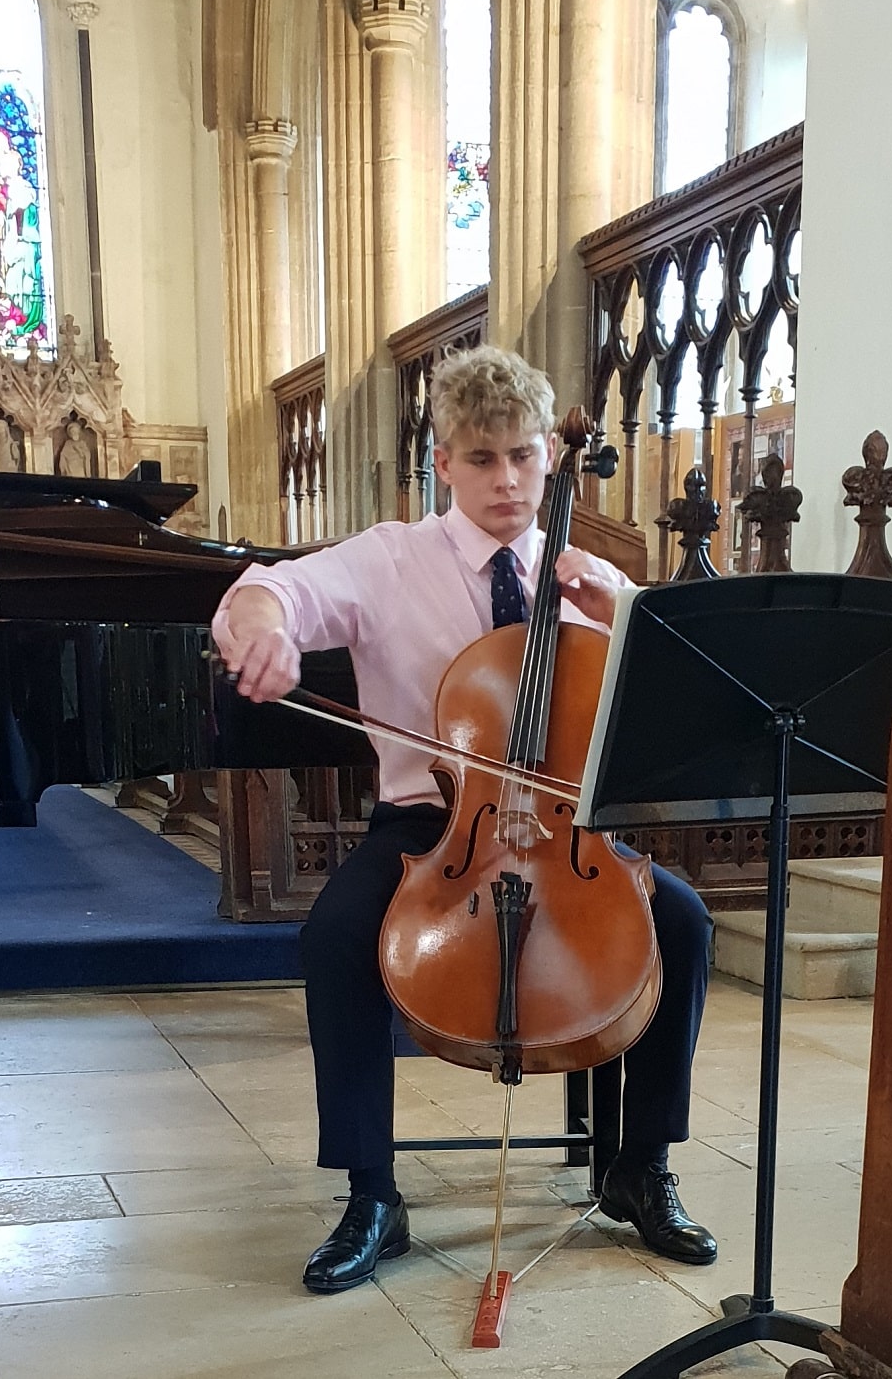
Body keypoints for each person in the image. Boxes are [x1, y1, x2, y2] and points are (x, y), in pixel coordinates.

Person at [213, 345, 717, 1295]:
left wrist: (632, 615)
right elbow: (266, 591)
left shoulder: (583, 574)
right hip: (431, 828)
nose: (508, 480)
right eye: (483, 460)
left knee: (683, 925)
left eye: (525, 457)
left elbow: (685, 689)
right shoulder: (388, 558)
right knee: (334, 937)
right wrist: (264, 630)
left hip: (572, 828)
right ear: (443, 462)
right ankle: (371, 1192)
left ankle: (642, 1167)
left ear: (549, 459)